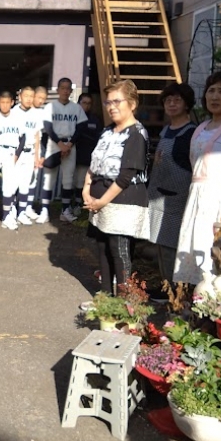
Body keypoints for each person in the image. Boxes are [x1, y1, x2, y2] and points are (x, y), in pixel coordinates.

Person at [173, 71, 221, 287]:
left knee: (215, 254)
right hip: (197, 197)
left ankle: (213, 304)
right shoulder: (201, 127)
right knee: (193, 248)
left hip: (219, 198)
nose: (215, 96)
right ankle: (193, 299)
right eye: (211, 90)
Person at [83, 80, 150, 295]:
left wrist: (101, 201)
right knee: (102, 246)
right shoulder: (107, 130)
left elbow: (125, 176)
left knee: (118, 250)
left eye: (117, 101)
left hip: (122, 201)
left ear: (132, 103)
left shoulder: (136, 134)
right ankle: (105, 296)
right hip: (99, 199)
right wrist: (86, 188)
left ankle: (124, 303)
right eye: (108, 102)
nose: (111, 106)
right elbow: (94, 162)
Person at [146, 82, 196, 289]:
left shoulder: (191, 133)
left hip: (177, 200)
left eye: (177, 100)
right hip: (158, 194)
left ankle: (176, 292)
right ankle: (165, 286)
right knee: (160, 244)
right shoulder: (166, 129)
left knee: (172, 247)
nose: (172, 104)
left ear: (187, 104)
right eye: (168, 100)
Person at [37, 77, 87, 224]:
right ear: (58, 90)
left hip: (70, 144)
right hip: (54, 144)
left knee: (68, 179)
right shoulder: (50, 107)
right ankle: (44, 210)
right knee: (49, 178)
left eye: (68, 88)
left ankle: (65, 211)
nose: (65, 91)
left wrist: (69, 144)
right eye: (62, 88)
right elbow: (47, 127)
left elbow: (81, 128)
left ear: (71, 90)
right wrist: (60, 144)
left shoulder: (76, 108)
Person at [0, 90, 23, 230]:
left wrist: (17, 154)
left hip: (11, 152)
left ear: (12, 102)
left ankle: (7, 216)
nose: (5, 105)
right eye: (2, 102)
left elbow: (23, 137)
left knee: (9, 186)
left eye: (8, 102)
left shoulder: (17, 118)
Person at [12, 86, 42, 225]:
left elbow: (37, 135)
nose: (29, 99)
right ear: (20, 97)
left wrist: (36, 156)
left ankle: (22, 212)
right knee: (14, 184)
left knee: (25, 185)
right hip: (17, 153)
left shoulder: (35, 114)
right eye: (26, 96)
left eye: (31, 96)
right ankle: (11, 211)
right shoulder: (14, 113)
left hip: (30, 152)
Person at [73, 92, 103, 214]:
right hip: (71, 153)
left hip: (86, 156)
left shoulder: (94, 120)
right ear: (78, 103)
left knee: (81, 182)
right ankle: (66, 206)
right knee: (69, 182)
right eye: (84, 103)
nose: (86, 105)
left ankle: (78, 205)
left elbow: (98, 138)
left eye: (89, 103)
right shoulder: (72, 117)